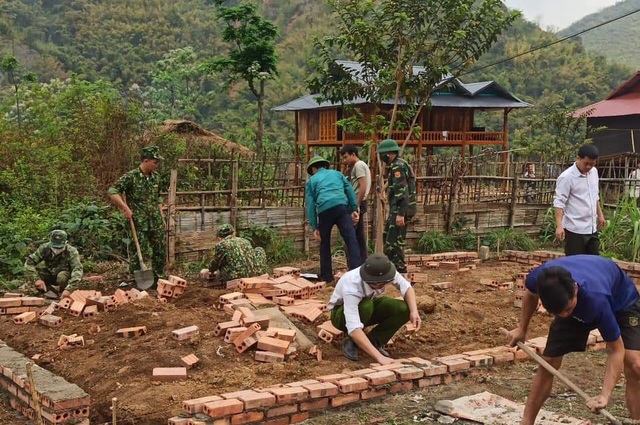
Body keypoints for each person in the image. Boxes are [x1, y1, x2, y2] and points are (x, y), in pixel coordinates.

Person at [507, 255, 640, 425]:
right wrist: (522, 329)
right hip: (577, 299)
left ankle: (636, 421)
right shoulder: (539, 279)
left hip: (622, 302)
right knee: (549, 362)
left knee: (635, 365)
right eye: (557, 313)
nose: (563, 316)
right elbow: (531, 295)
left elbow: (616, 350)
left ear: (575, 289)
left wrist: (604, 395)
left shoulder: (596, 300)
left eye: (567, 310)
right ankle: (526, 422)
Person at [328, 253, 421, 364]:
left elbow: (406, 287)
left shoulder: (386, 271)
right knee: (366, 306)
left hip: (368, 305)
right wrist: (379, 358)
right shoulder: (352, 286)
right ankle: (352, 341)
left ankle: (375, 340)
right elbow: (353, 328)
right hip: (340, 314)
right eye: (380, 284)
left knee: (404, 309)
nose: (384, 285)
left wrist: (414, 311)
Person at [108, 145, 166, 284]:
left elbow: (158, 197)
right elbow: (112, 191)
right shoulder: (131, 177)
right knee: (138, 250)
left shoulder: (156, 178)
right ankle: (136, 280)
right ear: (146, 161)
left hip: (155, 220)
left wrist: (161, 215)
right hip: (138, 222)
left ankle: (158, 278)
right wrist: (125, 208)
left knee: (159, 249)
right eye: (155, 162)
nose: (157, 165)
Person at [305, 156, 362, 284]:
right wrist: (353, 208)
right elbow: (349, 191)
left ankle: (327, 277)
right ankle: (357, 273)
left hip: (324, 210)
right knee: (351, 239)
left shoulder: (311, 181)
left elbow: (310, 205)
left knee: (324, 243)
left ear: (314, 168)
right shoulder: (337, 174)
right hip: (342, 208)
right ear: (325, 165)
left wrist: (315, 227)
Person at [553, 144, 605, 256]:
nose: (589, 167)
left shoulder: (594, 172)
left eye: (592, 164)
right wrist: (559, 226)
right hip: (574, 230)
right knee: (575, 264)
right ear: (578, 158)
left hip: (591, 228)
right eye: (586, 163)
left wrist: (600, 215)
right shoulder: (566, 177)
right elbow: (559, 202)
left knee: (593, 262)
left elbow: (594, 196)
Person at [377, 139, 417, 273]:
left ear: (388, 153)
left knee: (394, 240)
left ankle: (399, 269)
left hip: (401, 209)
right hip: (400, 208)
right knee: (388, 236)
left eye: (383, 154)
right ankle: (393, 268)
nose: (382, 157)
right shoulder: (401, 163)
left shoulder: (397, 167)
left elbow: (402, 191)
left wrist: (400, 213)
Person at [24, 230, 83, 298]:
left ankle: (63, 292)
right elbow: (29, 263)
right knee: (34, 272)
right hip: (49, 273)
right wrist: (36, 279)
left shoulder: (72, 252)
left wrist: (70, 289)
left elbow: (77, 269)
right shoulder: (44, 248)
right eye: (54, 247)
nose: (56, 249)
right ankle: (49, 292)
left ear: (65, 243)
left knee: (62, 277)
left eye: (59, 247)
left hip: (64, 276)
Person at [340, 145, 372, 261]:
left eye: (346, 157)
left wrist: (356, 205)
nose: (344, 161)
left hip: (357, 202)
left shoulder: (358, 166)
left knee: (349, 235)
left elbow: (362, 185)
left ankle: (353, 265)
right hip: (360, 202)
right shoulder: (359, 165)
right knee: (359, 236)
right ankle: (363, 262)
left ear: (353, 154)